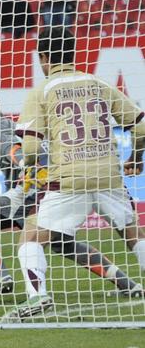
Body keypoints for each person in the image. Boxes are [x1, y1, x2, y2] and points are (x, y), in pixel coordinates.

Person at [12, 27, 145, 318]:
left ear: (43, 58)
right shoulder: (98, 82)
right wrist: (136, 157)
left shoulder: (42, 90)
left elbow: (32, 147)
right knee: (133, 233)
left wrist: (28, 168)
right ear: (72, 53)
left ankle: (38, 298)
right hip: (108, 174)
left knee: (31, 238)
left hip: (69, 179)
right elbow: (141, 126)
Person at [0, 89, 142, 302]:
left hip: (32, 188)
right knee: (63, 243)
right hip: (54, 183)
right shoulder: (5, 124)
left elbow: (12, 150)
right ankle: (129, 285)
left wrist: (27, 167)